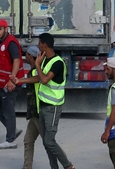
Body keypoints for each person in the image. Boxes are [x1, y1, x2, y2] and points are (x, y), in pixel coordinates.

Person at [15, 33, 75, 169]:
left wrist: (37, 64)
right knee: (45, 142)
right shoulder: (46, 60)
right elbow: (37, 78)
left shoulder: (58, 62)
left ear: (44, 45)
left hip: (53, 107)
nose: (38, 46)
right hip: (42, 106)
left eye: (39, 44)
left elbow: (44, 79)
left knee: (49, 141)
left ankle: (68, 166)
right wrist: (20, 80)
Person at [0, 19, 23, 149]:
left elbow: (17, 61)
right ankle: (12, 129)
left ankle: (10, 139)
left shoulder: (11, 42)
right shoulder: (3, 42)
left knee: (8, 110)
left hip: (8, 84)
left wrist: (11, 80)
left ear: (6, 29)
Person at [20, 46, 43, 169]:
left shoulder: (37, 71)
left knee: (50, 143)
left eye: (27, 55)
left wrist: (21, 80)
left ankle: (66, 165)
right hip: (34, 113)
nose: (25, 57)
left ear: (31, 56)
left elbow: (39, 79)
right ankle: (27, 166)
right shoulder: (33, 71)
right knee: (28, 140)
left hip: (39, 113)